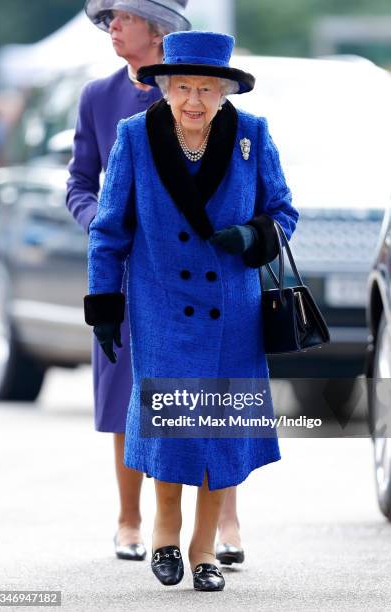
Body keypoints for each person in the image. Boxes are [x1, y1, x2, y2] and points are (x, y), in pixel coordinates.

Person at [84, 30, 299, 591]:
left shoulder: (252, 135)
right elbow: (107, 231)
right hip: (161, 307)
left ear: (226, 90)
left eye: (206, 88)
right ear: (164, 88)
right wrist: (105, 306)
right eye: (183, 87)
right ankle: (164, 529)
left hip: (233, 310)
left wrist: (253, 235)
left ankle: (204, 547)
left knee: (221, 427)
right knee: (174, 421)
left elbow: (283, 211)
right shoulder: (134, 137)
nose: (194, 100)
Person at [68, 1, 248, 565]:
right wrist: (105, 223)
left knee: (221, 399)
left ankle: (223, 522)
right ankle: (132, 519)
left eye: (123, 16)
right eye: (108, 18)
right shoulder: (104, 101)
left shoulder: (220, 106)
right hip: (136, 276)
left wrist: (257, 233)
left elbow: (267, 198)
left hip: (214, 286)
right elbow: (82, 180)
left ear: (157, 27)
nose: (111, 27)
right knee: (134, 394)